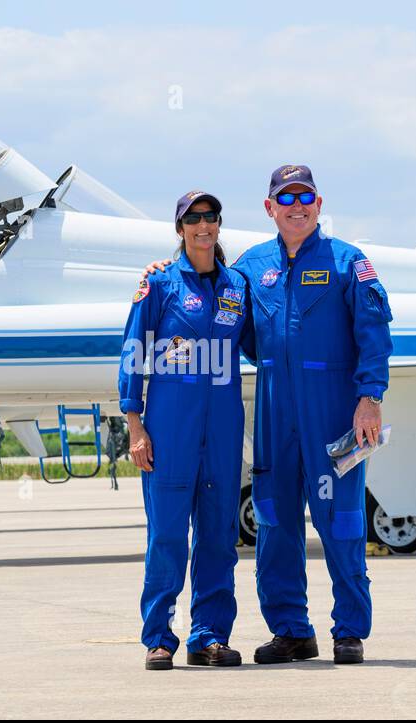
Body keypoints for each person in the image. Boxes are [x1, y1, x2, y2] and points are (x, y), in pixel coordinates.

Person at [143, 166, 393, 665]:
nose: (296, 206)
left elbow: (375, 332)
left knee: (341, 519)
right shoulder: (250, 268)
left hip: (335, 412)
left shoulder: (349, 262)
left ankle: (349, 630)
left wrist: (370, 397)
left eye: (305, 197)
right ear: (269, 208)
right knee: (275, 522)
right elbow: (212, 303)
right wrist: (160, 276)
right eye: (286, 198)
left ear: (319, 205)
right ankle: (291, 630)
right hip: (275, 410)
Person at [118, 190, 255, 670]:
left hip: (221, 428)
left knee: (218, 536)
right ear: (180, 228)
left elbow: (266, 338)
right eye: (193, 218)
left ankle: (209, 637)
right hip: (170, 427)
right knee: (168, 538)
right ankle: (159, 636)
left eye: (210, 217)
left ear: (219, 224)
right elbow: (134, 354)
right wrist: (135, 425)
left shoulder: (238, 285)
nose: (203, 225)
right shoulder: (158, 285)